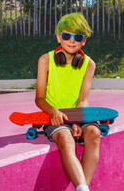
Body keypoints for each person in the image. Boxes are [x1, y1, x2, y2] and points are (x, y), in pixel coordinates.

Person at [35, 13, 98, 191]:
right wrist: (54, 112)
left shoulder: (89, 64)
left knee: (93, 133)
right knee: (65, 137)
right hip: (54, 115)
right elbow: (39, 99)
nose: (72, 41)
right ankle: (83, 188)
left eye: (78, 37)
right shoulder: (45, 60)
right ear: (58, 37)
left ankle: (82, 187)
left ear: (84, 40)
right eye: (66, 36)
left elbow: (83, 99)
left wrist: (77, 121)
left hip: (78, 114)